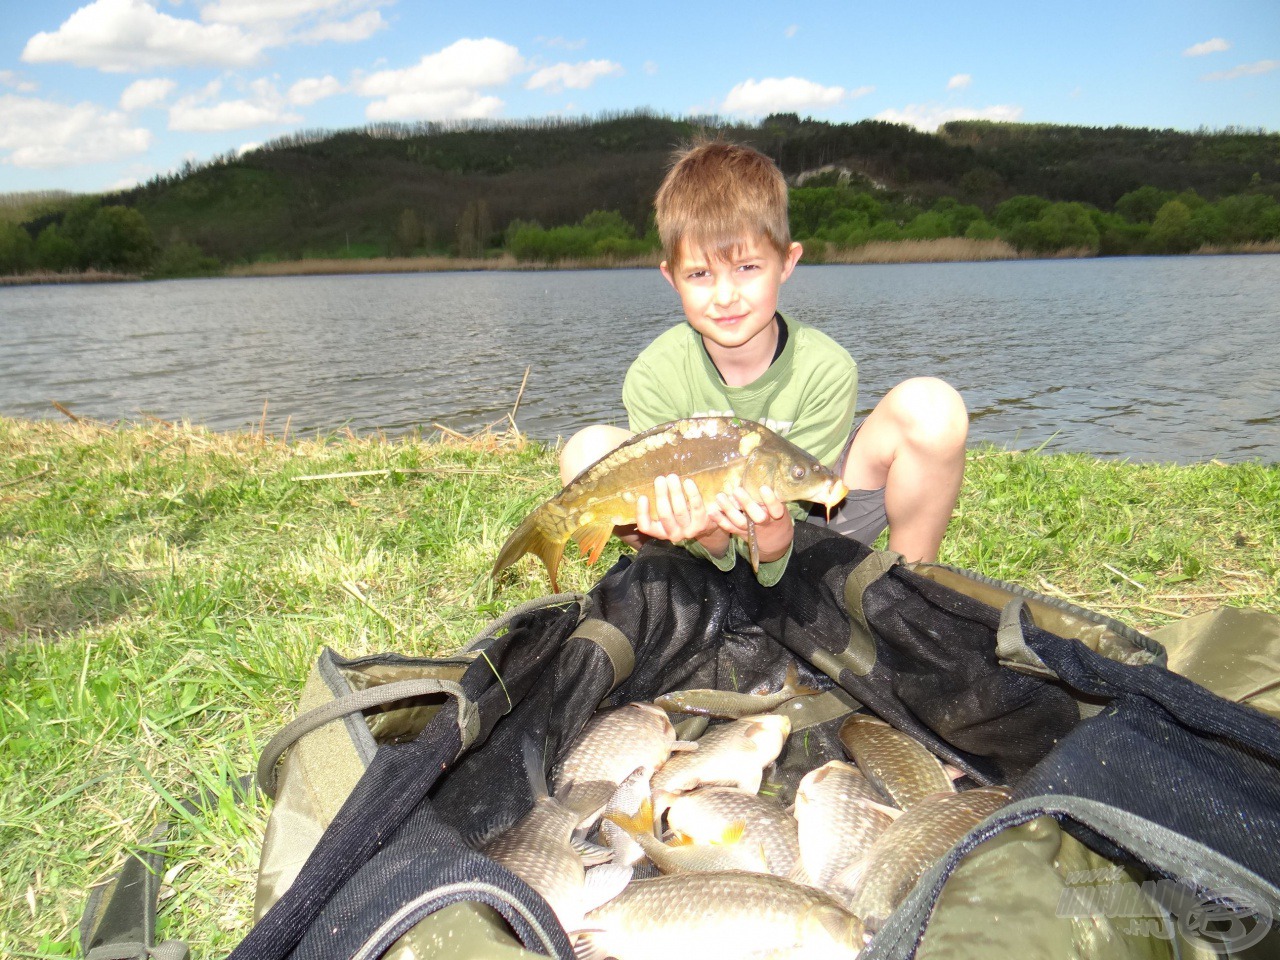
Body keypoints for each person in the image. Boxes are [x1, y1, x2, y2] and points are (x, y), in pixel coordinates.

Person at [559, 140, 968, 585]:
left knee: (933, 408)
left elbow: (794, 500)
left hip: (808, 524)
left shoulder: (826, 368)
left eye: (747, 268)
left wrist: (771, 541)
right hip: (691, 534)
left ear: (786, 262)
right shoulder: (653, 373)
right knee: (585, 451)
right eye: (699, 274)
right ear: (671, 278)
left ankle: (912, 588)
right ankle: (683, 576)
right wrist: (708, 536)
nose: (725, 296)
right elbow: (687, 512)